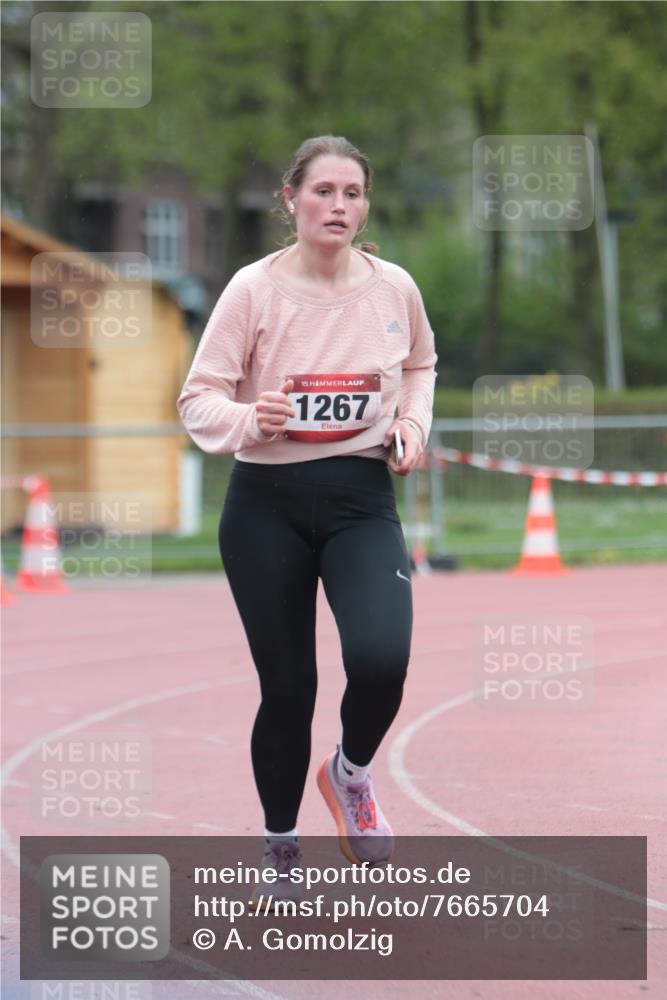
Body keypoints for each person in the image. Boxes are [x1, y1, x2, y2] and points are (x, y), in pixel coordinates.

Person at [177, 135, 438, 904]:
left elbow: (420, 365)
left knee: (382, 659)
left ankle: (349, 774)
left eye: (352, 193)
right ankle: (280, 846)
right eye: (323, 191)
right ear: (290, 199)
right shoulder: (251, 290)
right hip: (265, 507)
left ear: (365, 206)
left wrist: (412, 426)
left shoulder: (394, 289)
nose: (338, 206)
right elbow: (198, 397)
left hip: (361, 500)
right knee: (288, 688)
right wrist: (246, 419)